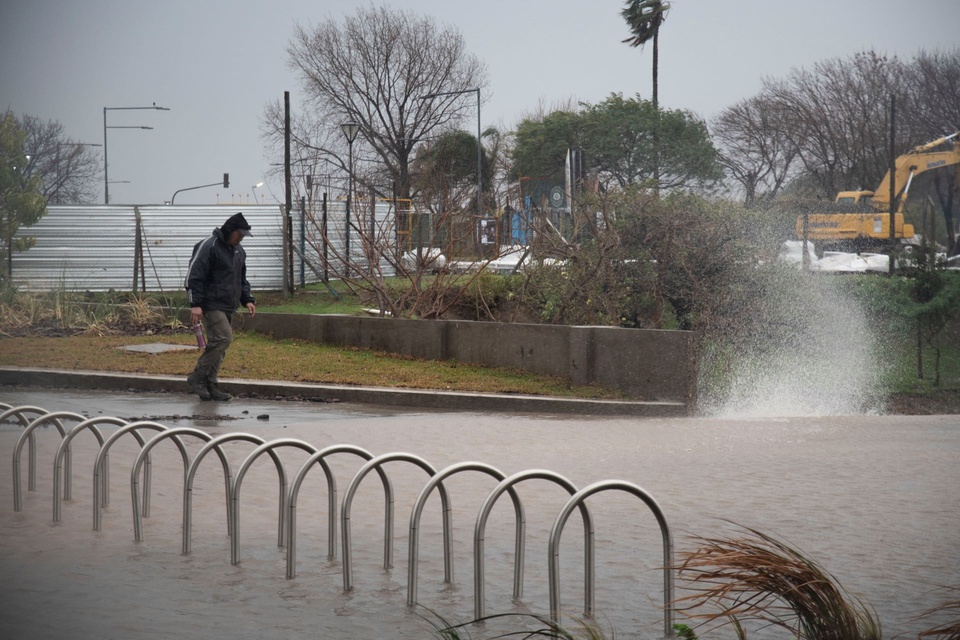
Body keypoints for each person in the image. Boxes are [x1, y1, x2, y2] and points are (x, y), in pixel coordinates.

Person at [184, 212, 256, 401]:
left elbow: (241, 279)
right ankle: (197, 376)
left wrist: (247, 299)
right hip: (210, 303)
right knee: (224, 338)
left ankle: (211, 384)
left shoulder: (239, 251)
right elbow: (194, 275)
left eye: (243, 236)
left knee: (220, 345)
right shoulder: (209, 246)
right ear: (230, 230)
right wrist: (196, 304)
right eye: (239, 235)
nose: (241, 239)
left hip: (227, 304)